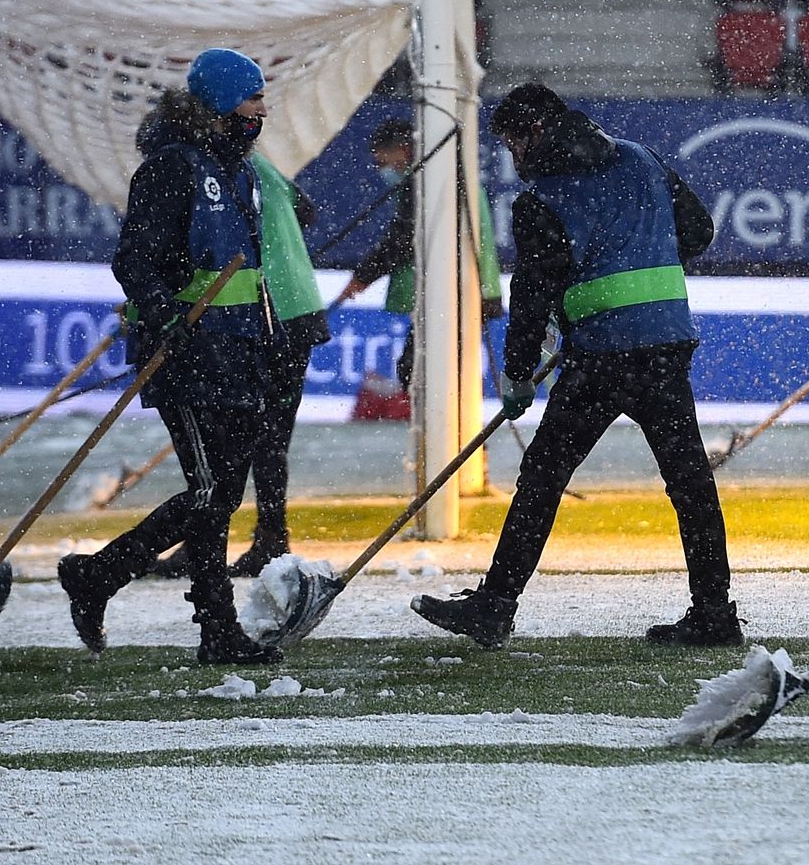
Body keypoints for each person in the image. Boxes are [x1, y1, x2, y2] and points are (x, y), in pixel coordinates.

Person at [410, 83, 740, 648]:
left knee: (542, 478)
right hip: (665, 345)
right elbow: (698, 232)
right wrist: (643, 254)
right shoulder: (642, 157)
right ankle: (714, 612)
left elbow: (533, 294)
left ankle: (495, 605)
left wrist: (516, 373)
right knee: (690, 484)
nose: (514, 160)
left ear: (535, 132)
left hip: (600, 359)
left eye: (514, 144)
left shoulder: (542, 200)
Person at [55, 48, 282, 665]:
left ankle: (212, 628)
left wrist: (268, 335)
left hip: (239, 350)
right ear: (217, 102)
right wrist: (162, 316)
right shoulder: (171, 170)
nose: (263, 108)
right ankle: (104, 577)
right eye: (251, 97)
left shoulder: (242, 171)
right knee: (209, 490)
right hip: (187, 354)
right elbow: (134, 260)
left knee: (221, 494)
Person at [147, 149, 330, 580]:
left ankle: (218, 542)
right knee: (266, 435)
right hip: (299, 307)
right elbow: (307, 210)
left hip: (267, 315)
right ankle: (263, 537)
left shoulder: (215, 170)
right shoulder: (261, 164)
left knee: (237, 437)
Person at [333, 117, 503, 388]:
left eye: (382, 161)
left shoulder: (425, 179)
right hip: (472, 288)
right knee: (440, 374)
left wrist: (363, 277)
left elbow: (402, 239)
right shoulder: (452, 173)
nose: (384, 170)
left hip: (446, 292)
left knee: (419, 372)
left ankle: (439, 427)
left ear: (402, 149)